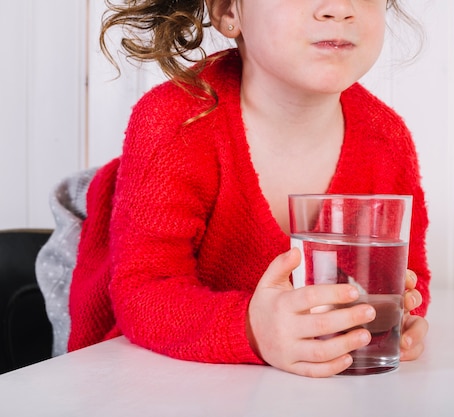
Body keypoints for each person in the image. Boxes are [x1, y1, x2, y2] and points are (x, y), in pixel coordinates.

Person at [69, 0, 431, 378]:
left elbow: (411, 274)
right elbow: (142, 292)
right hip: (154, 377)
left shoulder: (387, 140)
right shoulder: (177, 122)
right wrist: (253, 330)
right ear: (229, 13)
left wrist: (399, 314)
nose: (338, 8)